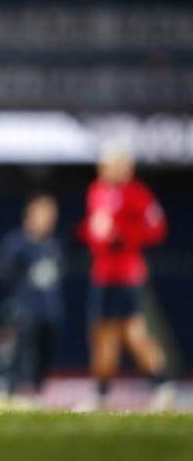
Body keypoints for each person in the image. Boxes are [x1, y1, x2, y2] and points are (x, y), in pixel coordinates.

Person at [78, 146, 172, 410]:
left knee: (132, 331)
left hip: (126, 274)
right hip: (103, 274)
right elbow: (94, 229)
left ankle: (162, 384)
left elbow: (156, 228)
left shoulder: (137, 193)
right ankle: (101, 393)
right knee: (102, 333)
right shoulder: (96, 191)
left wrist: (123, 235)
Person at [0, 193, 63, 400]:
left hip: (49, 308)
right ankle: (11, 391)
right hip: (25, 308)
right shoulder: (16, 243)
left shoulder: (53, 244)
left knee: (45, 351)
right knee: (20, 350)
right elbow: (3, 273)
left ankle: (37, 390)